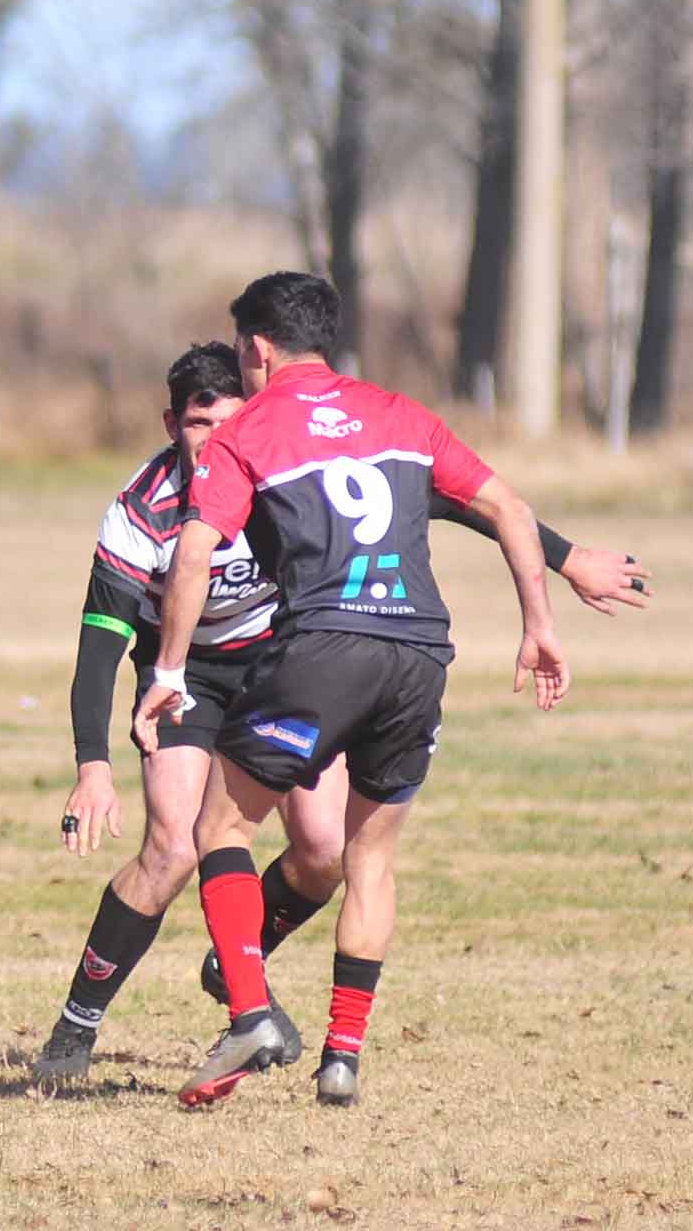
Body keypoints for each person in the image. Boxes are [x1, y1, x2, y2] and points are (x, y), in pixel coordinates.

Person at [34, 342, 648, 1088]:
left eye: (229, 419)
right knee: (173, 847)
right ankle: (77, 1026)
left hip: (289, 666)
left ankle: (240, 963)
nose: (214, 436)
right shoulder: (143, 510)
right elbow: (101, 640)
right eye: (199, 423)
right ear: (172, 424)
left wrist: (567, 555)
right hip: (185, 674)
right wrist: (92, 764)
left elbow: (459, 498)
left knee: (324, 852)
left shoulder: (284, 465)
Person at [133, 272, 569, 1108]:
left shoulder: (249, 429)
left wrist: (169, 671)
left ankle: (251, 1012)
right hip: (420, 652)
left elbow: (193, 553)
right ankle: (342, 1060)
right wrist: (538, 623)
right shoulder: (401, 414)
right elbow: (509, 509)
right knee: (369, 855)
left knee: (220, 820)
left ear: (256, 349)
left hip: (326, 646)